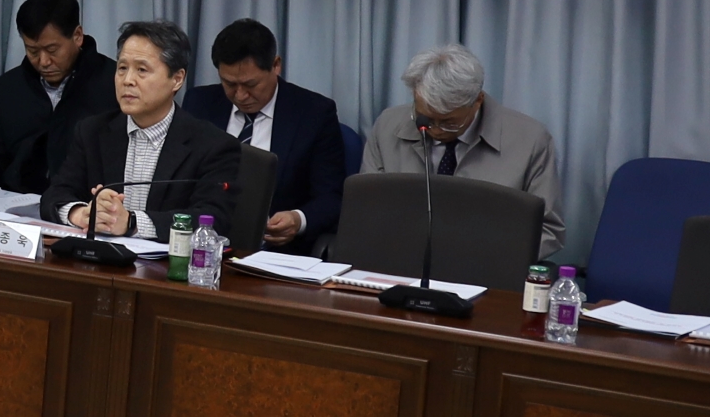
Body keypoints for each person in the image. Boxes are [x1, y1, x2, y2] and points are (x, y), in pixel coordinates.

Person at [44, 21, 241, 241]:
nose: (127, 80)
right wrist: (82, 214)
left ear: (177, 79)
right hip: (100, 258)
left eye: (142, 70)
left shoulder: (213, 146)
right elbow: (55, 194)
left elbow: (214, 218)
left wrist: (131, 222)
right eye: (122, 68)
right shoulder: (92, 131)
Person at [365, 44, 563, 257]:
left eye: (449, 122)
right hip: (401, 260)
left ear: (477, 101)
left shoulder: (530, 140)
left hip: (488, 265)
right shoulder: (387, 126)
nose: (436, 130)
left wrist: (487, 258)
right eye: (426, 119)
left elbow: (547, 229)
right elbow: (367, 210)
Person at [183, 20, 352, 250]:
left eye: (250, 84)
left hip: (273, 251)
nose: (240, 95)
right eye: (229, 83)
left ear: (276, 65)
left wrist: (298, 219)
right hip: (203, 243)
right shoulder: (199, 103)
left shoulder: (314, 114)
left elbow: (331, 198)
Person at [0, 0, 110, 205]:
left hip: (84, 204)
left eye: (52, 50)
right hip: (14, 201)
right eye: (33, 51)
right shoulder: (11, 86)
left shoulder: (112, 84)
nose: (43, 61)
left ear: (77, 36)